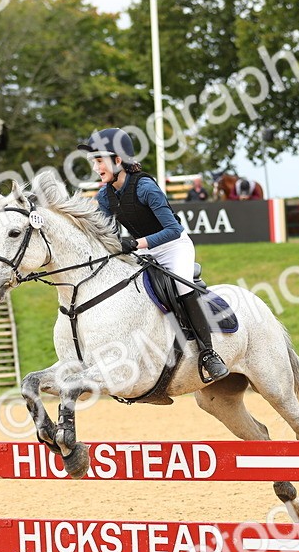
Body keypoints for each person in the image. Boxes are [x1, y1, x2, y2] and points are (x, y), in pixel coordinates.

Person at [77, 127, 228, 383]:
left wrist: (136, 243)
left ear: (118, 160)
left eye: (99, 160)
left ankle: (209, 354)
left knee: (181, 287)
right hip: (144, 251)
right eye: (94, 161)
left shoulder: (146, 187)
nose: (95, 167)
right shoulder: (105, 195)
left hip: (173, 247)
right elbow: (105, 233)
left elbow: (173, 229)